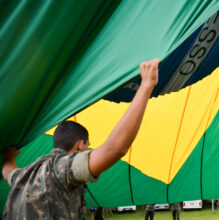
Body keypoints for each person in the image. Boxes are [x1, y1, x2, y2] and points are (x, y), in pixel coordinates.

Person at [2, 59, 160, 219]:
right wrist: (146, 85)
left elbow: (8, 171)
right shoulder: (61, 168)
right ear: (79, 145)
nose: (88, 150)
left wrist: (9, 157)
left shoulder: (25, 174)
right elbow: (115, 149)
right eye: (87, 147)